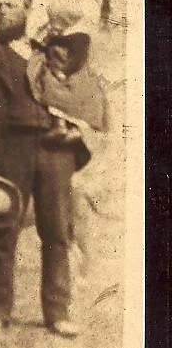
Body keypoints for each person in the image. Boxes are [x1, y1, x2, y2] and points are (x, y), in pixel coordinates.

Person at [0, 0, 69, 330]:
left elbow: (78, 91)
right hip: (9, 150)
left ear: (27, 10)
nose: (3, 11)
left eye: (10, 5)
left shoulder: (49, 50)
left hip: (55, 149)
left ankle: (58, 313)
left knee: (56, 230)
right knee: (4, 230)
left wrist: (77, 127)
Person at [29, 28, 109, 309]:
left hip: (67, 155)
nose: (60, 53)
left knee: (60, 228)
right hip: (34, 145)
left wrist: (80, 131)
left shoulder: (86, 81)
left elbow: (96, 119)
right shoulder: (38, 70)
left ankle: (60, 305)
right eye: (56, 46)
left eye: (67, 48)